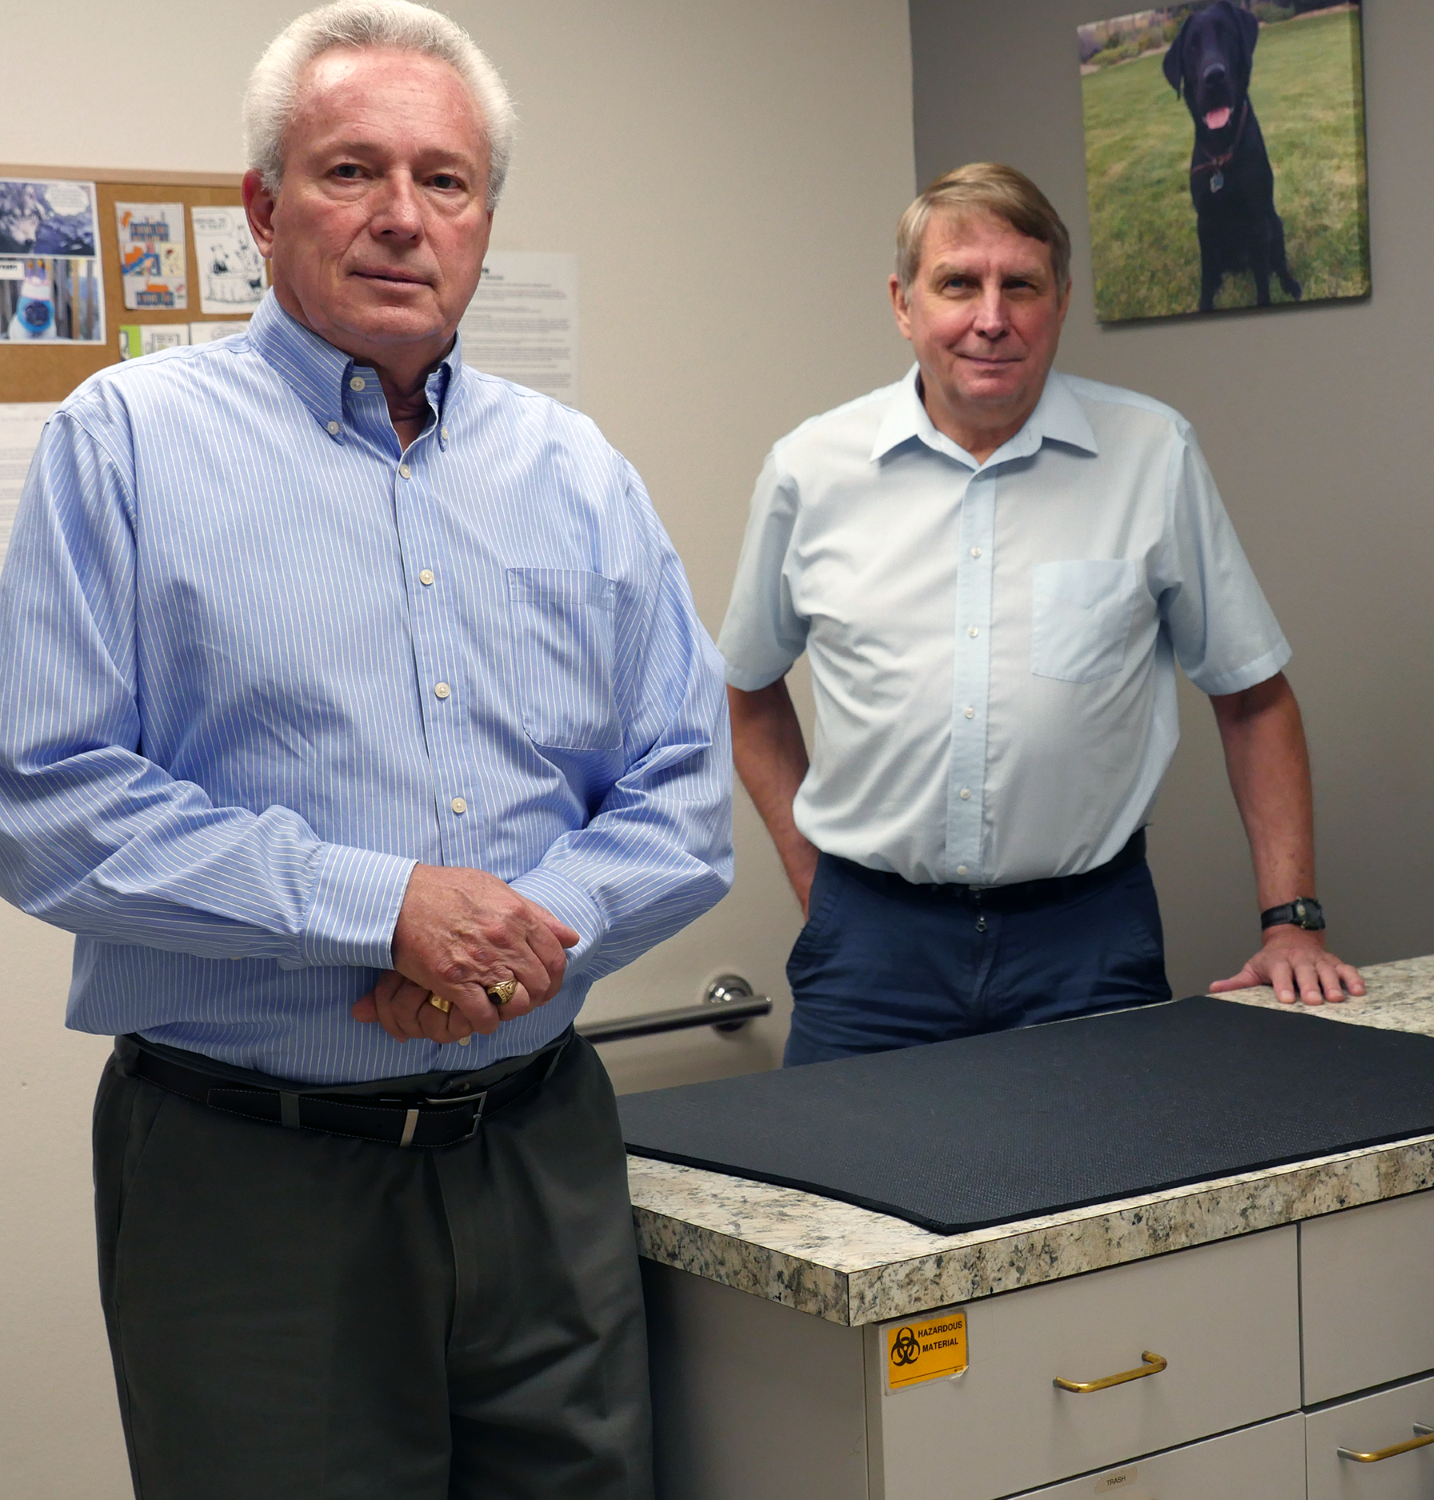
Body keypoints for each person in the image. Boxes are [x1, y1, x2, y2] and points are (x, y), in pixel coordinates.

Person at [0, 3, 731, 1495]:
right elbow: (48, 799)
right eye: (352, 171)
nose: (404, 217)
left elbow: (684, 792)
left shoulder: (577, 475)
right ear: (264, 207)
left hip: (540, 1158)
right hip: (251, 1186)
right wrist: (383, 905)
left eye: (446, 180)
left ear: (484, 219)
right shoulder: (123, 444)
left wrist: (517, 942)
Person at [720, 162, 1361, 1067]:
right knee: (849, 1203)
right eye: (958, 285)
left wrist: (1291, 921)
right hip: (871, 957)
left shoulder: (1152, 454)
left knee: (1106, 1203)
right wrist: (817, 885)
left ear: (1059, 300)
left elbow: (1253, 697)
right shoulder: (810, 471)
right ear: (904, 304)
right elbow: (749, 692)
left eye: (1020, 284)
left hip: (1087, 946)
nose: (991, 318)